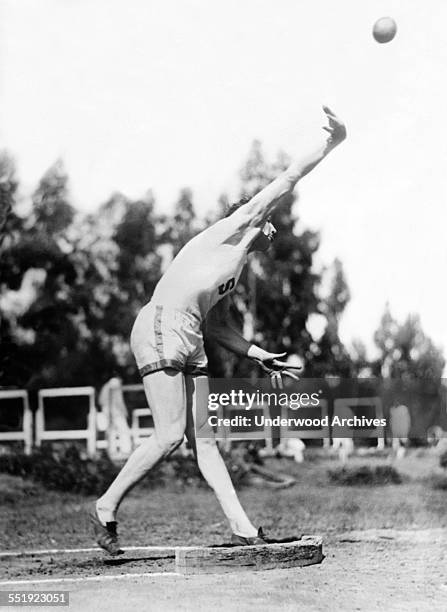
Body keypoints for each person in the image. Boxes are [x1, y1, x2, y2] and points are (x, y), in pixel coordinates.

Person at [90, 106, 347, 555]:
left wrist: (256, 353)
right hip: (161, 323)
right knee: (170, 435)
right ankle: (105, 506)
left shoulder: (233, 268)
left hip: (189, 332)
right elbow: (289, 178)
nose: (274, 227)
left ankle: (244, 530)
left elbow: (218, 324)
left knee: (204, 441)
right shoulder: (234, 228)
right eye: (270, 221)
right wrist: (330, 143)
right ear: (258, 218)